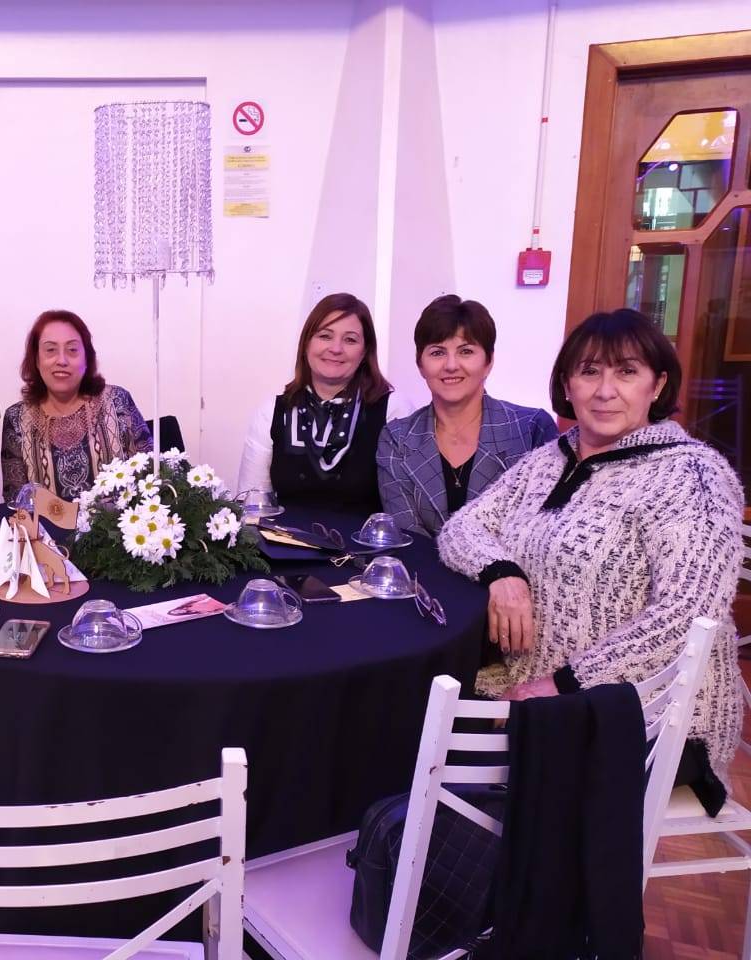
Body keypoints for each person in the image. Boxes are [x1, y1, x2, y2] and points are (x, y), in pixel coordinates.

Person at [438, 308, 743, 812]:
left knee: (457, 765)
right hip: (536, 689)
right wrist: (502, 573)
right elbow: (463, 528)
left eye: (627, 372)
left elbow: (687, 615)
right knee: (414, 726)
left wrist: (561, 685)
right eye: (589, 371)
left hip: (649, 716)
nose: (605, 391)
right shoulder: (552, 457)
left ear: (656, 385)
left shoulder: (692, 475)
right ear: (567, 384)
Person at [377, 295, 557, 537]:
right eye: (437, 352)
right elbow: (408, 538)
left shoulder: (532, 429)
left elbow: (539, 532)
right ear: (420, 365)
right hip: (421, 563)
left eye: (466, 351)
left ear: (488, 362)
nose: (451, 365)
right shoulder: (397, 438)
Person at [236, 292, 412, 513]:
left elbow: (407, 512)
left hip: (364, 537)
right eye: (325, 336)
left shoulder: (394, 410)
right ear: (306, 344)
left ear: (365, 352)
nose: (336, 349)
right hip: (281, 537)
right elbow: (252, 506)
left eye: (350, 340)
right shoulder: (271, 411)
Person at [1, 309, 151, 504]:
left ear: (87, 358)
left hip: (116, 523)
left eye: (72, 350)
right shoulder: (16, 419)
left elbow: (151, 477)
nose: (62, 360)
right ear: (36, 360)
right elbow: (16, 502)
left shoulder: (117, 402)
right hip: (46, 526)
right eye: (50, 350)